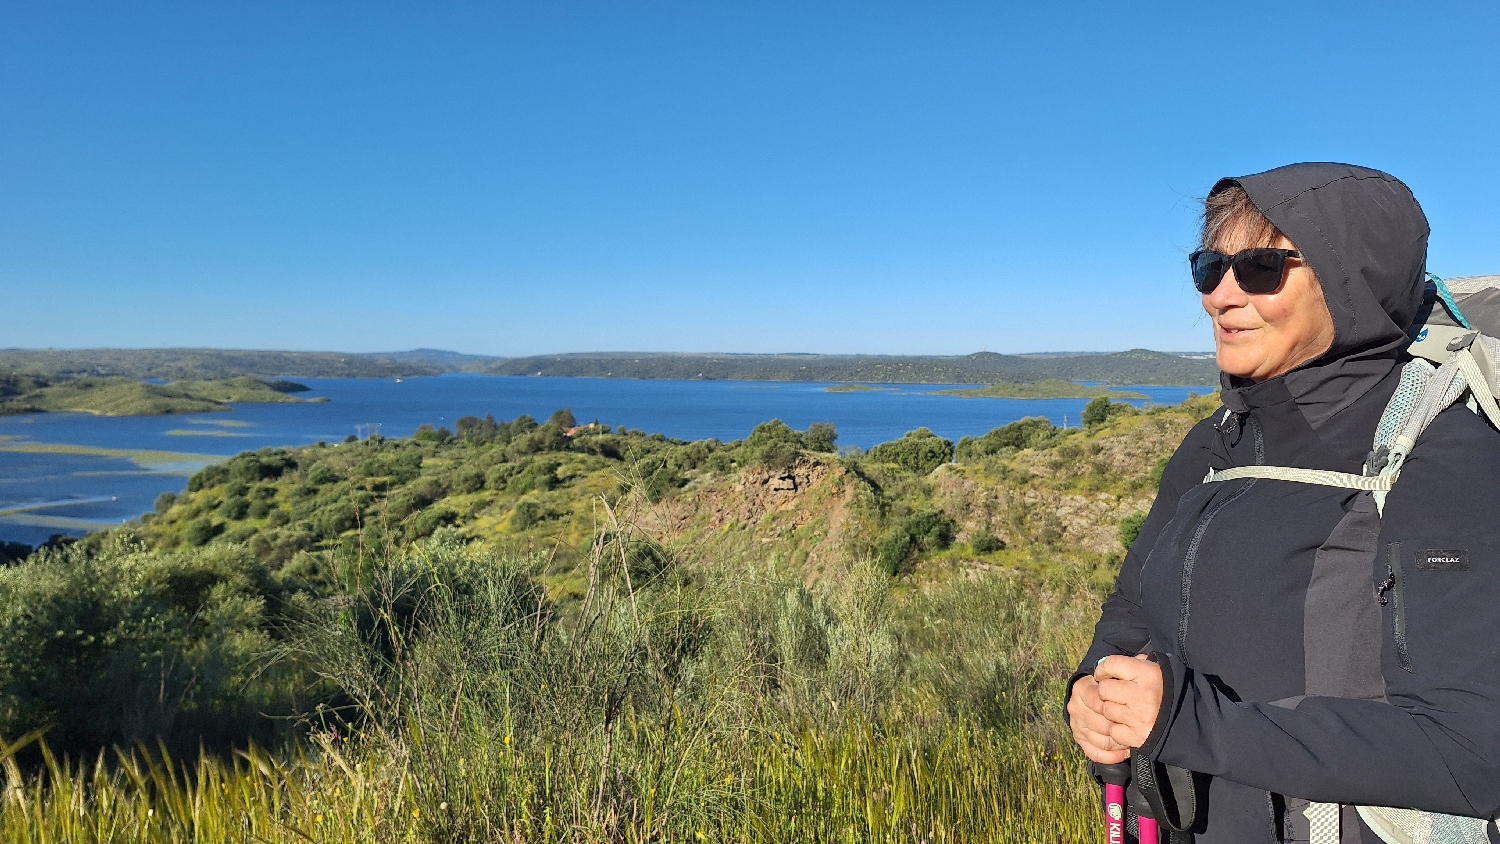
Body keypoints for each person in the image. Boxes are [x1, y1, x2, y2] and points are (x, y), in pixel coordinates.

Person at [1065, 162, 1500, 842]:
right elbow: (1133, 611)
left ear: (1353, 278)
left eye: (1261, 268)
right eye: (1209, 267)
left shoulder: (1439, 453)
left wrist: (1191, 725)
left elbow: (1471, 751)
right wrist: (1093, 691)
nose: (1220, 296)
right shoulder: (1213, 446)